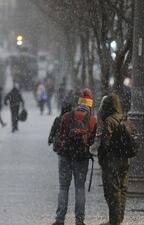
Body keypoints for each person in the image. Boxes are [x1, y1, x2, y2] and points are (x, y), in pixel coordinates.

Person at [52, 88, 97, 225]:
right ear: (90, 104)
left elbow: (60, 135)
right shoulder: (92, 120)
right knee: (79, 187)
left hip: (65, 155)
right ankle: (79, 219)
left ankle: (60, 219)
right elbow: (90, 141)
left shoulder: (67, 116)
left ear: (79, 103)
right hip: (81, 157)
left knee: (63, 187)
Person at [97, 93, 129, 225]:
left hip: (112, 161)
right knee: (122, 189)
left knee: (112, 191)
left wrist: (102, 157)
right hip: (125, 159)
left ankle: (114, 221)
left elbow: (106, 144)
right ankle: (119, 218)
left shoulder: (109, 121)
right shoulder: (125, 119)